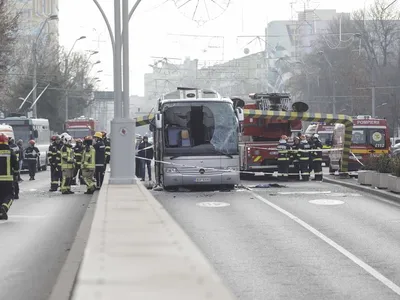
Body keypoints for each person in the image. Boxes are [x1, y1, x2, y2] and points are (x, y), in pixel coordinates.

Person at [0, 133, 19, 220]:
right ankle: (4, 207)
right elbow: (16, 165)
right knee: (10, 195)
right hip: (8, 179)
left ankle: (1, 212)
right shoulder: (11, 152)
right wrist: (16, 175)